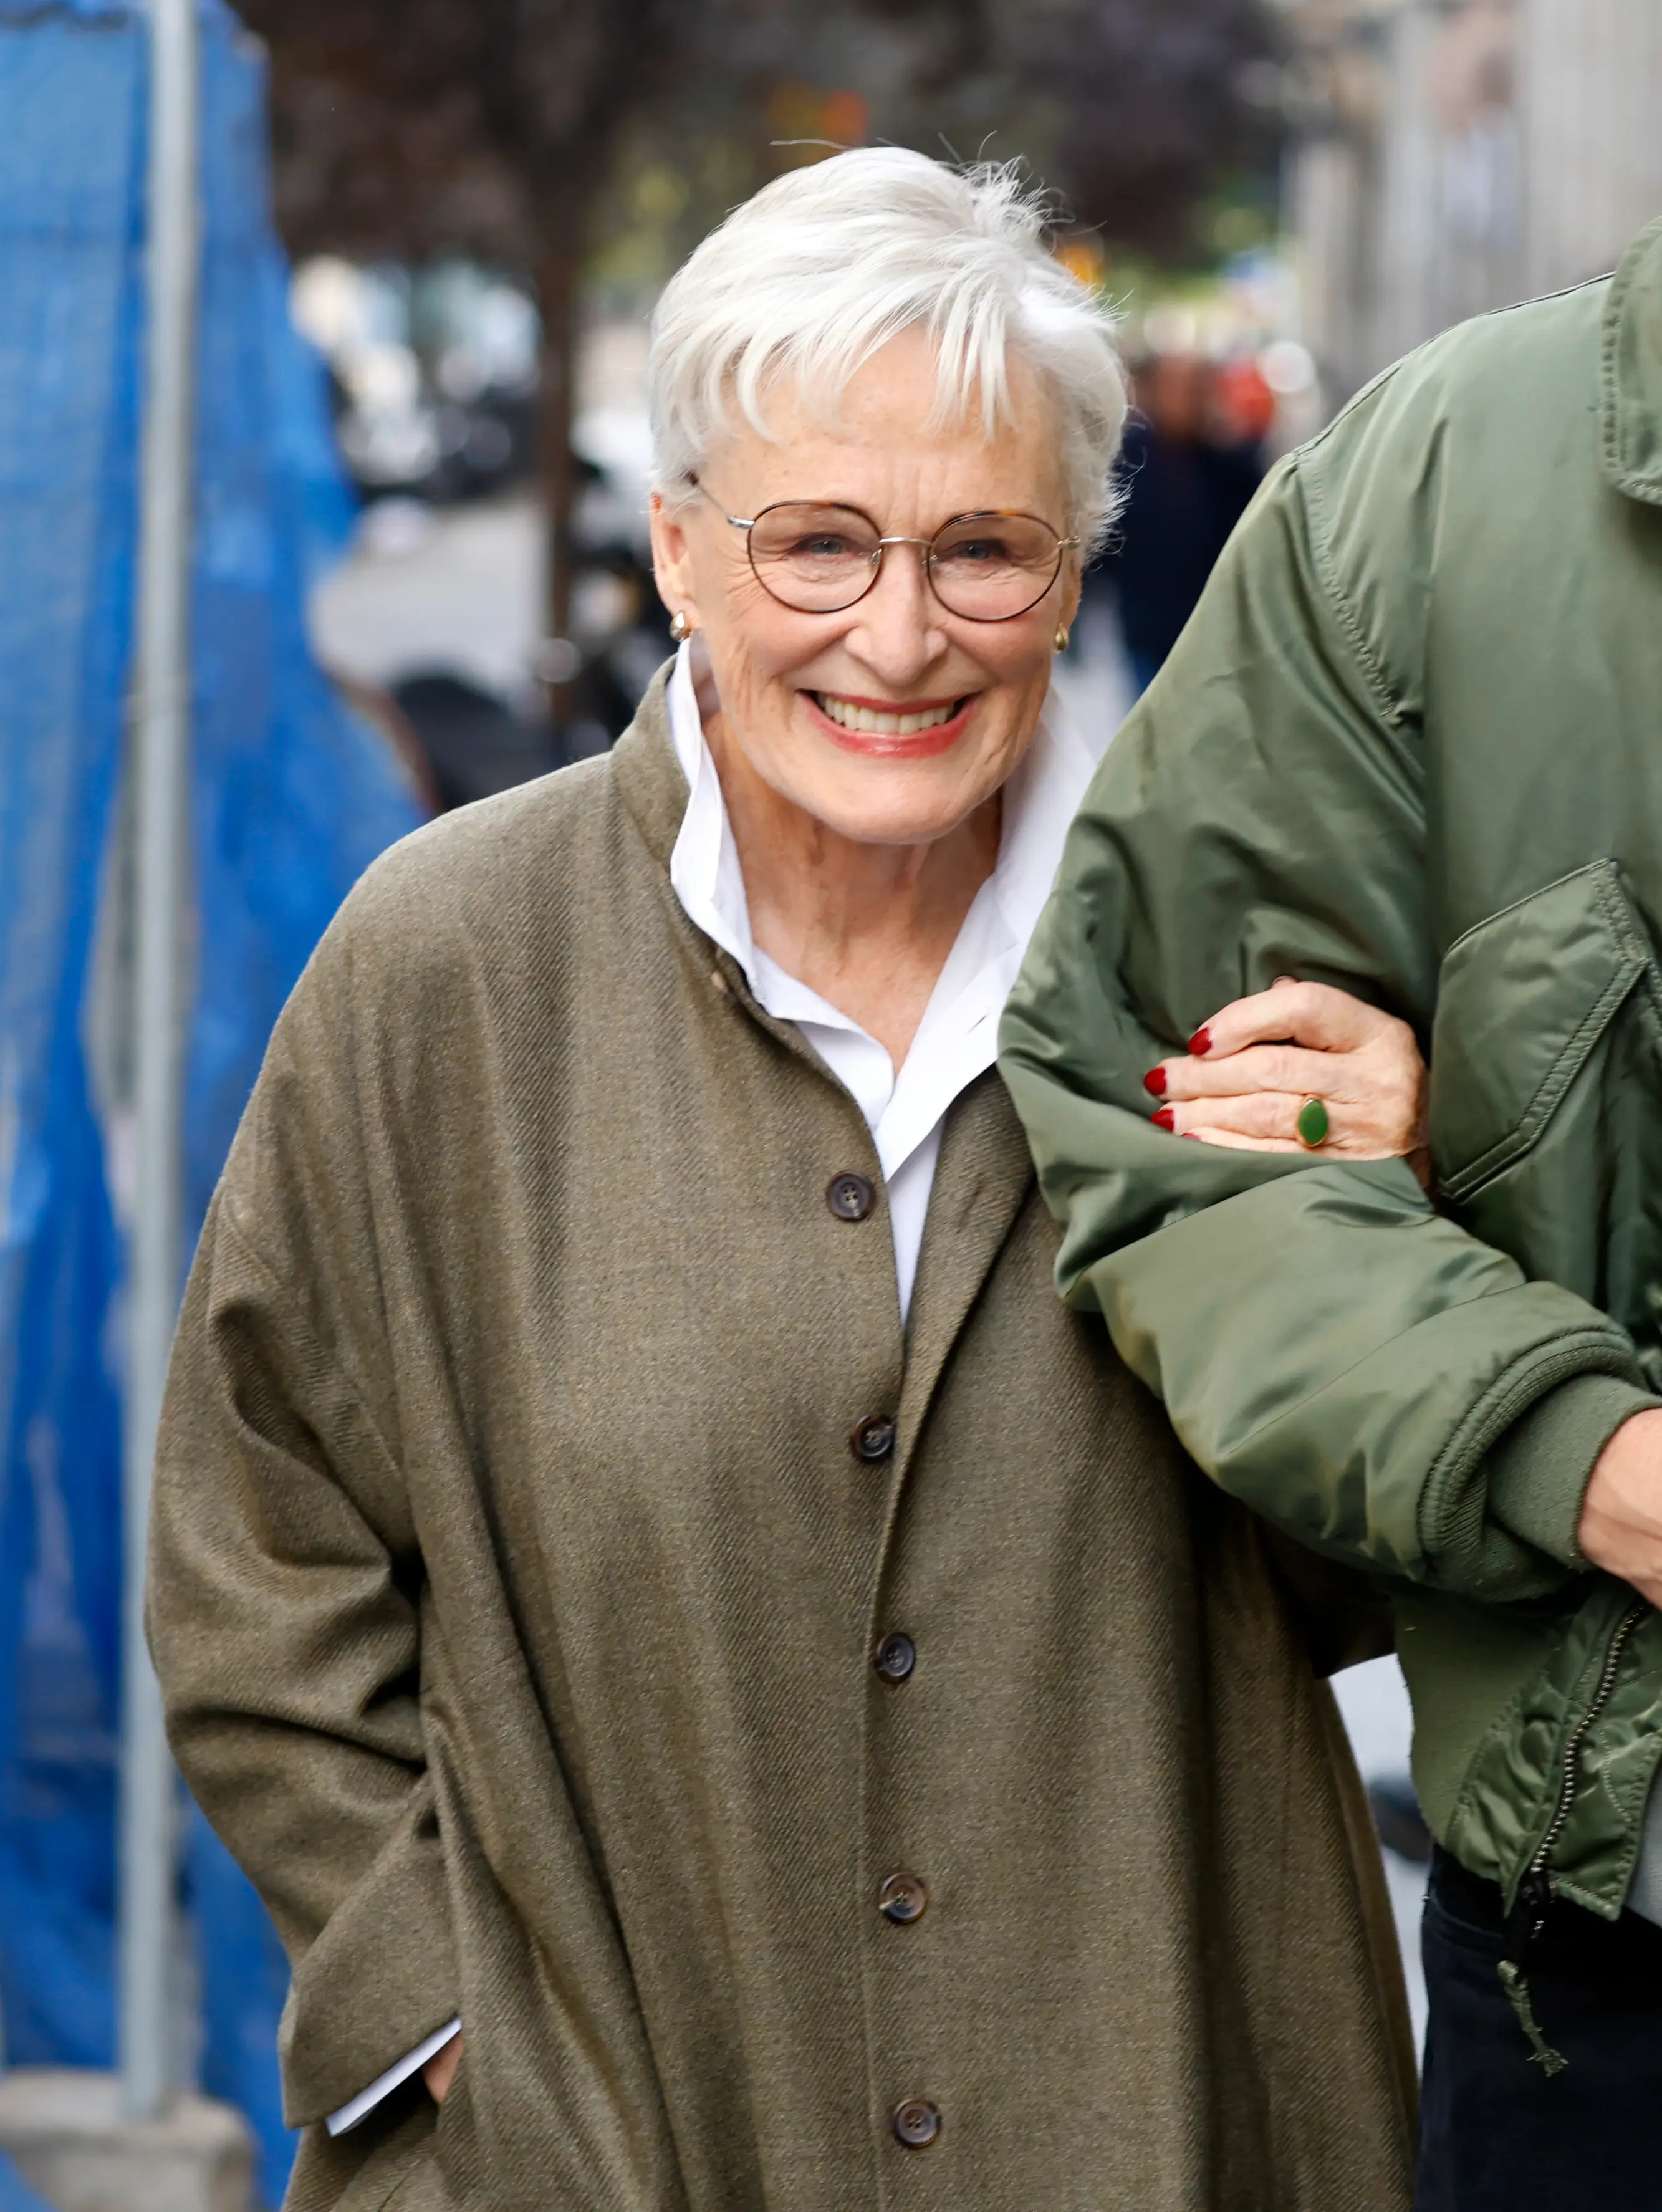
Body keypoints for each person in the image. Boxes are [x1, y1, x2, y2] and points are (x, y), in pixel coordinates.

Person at [147, 149, 1418, 2212]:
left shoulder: (1231, 973)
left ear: (1074, 570)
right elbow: (254, 1551)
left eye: (981, 549)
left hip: (1152, 2131)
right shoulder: (445, 967)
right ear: (675, 547)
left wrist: (1394, 1234)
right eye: (815, 543)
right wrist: (448, 2023)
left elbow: (1366, 1580)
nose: (897, 639)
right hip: (592, 2155)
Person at [1001, 211, 1662, 2212]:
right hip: (1608, 1953)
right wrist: (1591, 1455)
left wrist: (1478, 1139)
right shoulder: (1449, 476)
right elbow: (1185, 1116)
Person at [1096, 350, 1264, 695]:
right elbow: (1110, 535)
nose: (1186, 401)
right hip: (1147, 625)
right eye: (1178, 389)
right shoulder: (1131, 456)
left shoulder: (1224, 460)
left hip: (1211, 624)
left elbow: (1253, 527)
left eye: (1196, 390)